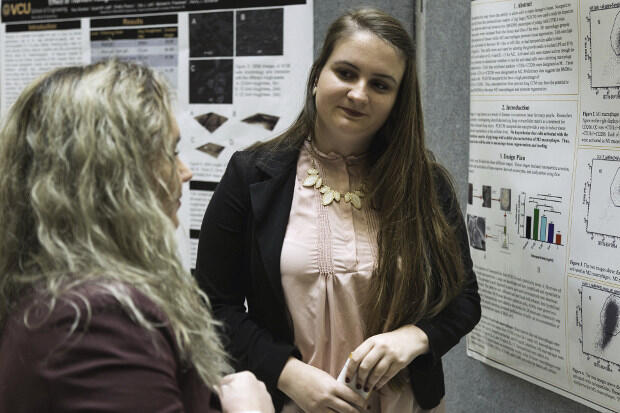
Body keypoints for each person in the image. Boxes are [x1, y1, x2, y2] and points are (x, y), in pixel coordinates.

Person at [195, 8, 481, 413]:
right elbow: (213, 305)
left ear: (397, 101)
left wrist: (415, 338)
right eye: (346, 73)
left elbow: (464, 300)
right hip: (293, 403)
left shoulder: (425, 184)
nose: (359, 94)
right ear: (317, 77)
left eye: (380, 84)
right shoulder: (251, 175)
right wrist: (287, 373)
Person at [0, 60, 274, 413]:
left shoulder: (52, 289)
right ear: (115, 174)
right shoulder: (96, 319)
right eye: (172, 152)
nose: (185, 172)